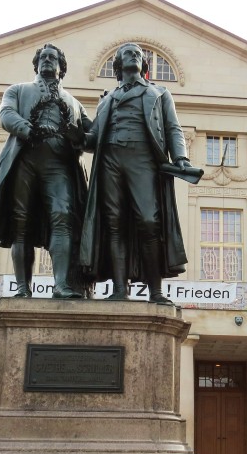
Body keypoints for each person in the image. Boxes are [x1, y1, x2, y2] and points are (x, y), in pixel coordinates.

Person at [79, 42, 199, 305]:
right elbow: (92, 139)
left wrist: (180, 157)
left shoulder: (159, 93)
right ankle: (120, 289)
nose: (134, 55)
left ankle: (155, 291)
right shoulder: (107, 99)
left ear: (143, 65)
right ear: (119, 65)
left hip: (143, 159)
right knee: (114, 222)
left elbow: (173, 128)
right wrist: (73, 133)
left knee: (148, 221)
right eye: (127, 53)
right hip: (110, 159)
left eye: (138, 54)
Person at [0, 43, 92, 299]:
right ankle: (23, 289)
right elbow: (6, 115)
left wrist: (78, 135)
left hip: (60, 165)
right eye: (43, 58)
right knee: (21, 223)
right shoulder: (18, 90)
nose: (48, 61)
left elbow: (93, 138)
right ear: (36, 65)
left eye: (53, 58)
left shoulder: (75, 104)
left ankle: (61, 285)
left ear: (62, 68)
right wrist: (29, 129)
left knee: (62, 217)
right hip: (24, 159)